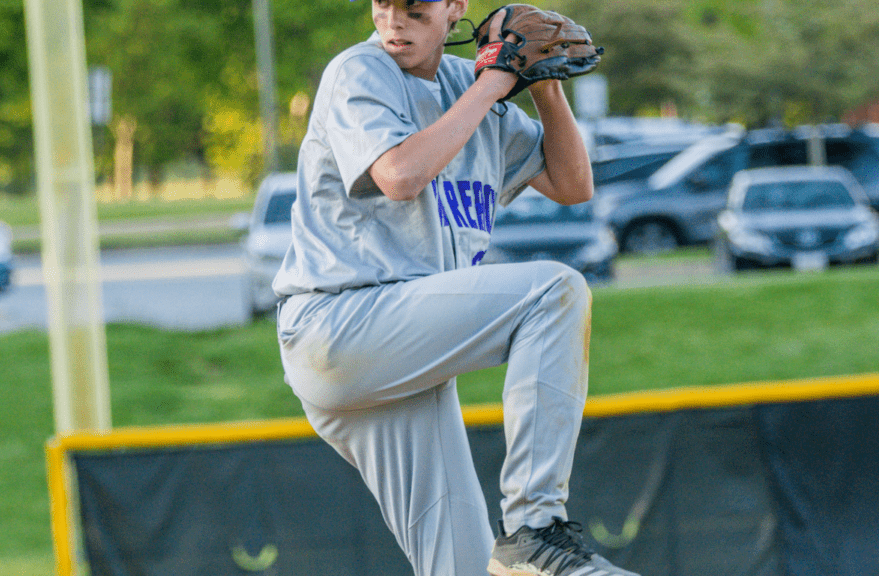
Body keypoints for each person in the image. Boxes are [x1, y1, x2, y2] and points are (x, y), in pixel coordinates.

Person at [273, 0, 640, 575]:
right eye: (383, 4)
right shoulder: (361, 70)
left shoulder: (466, 90)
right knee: (553, 292)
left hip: (401, 350)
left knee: (462, 566)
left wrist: (541, 83)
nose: (394, 20)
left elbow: (573, 185)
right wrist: (496, 81)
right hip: (338, 323)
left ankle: (525, 549)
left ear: (455, 9)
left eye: (415, 6)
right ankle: (534, 525)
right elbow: (398, 175)